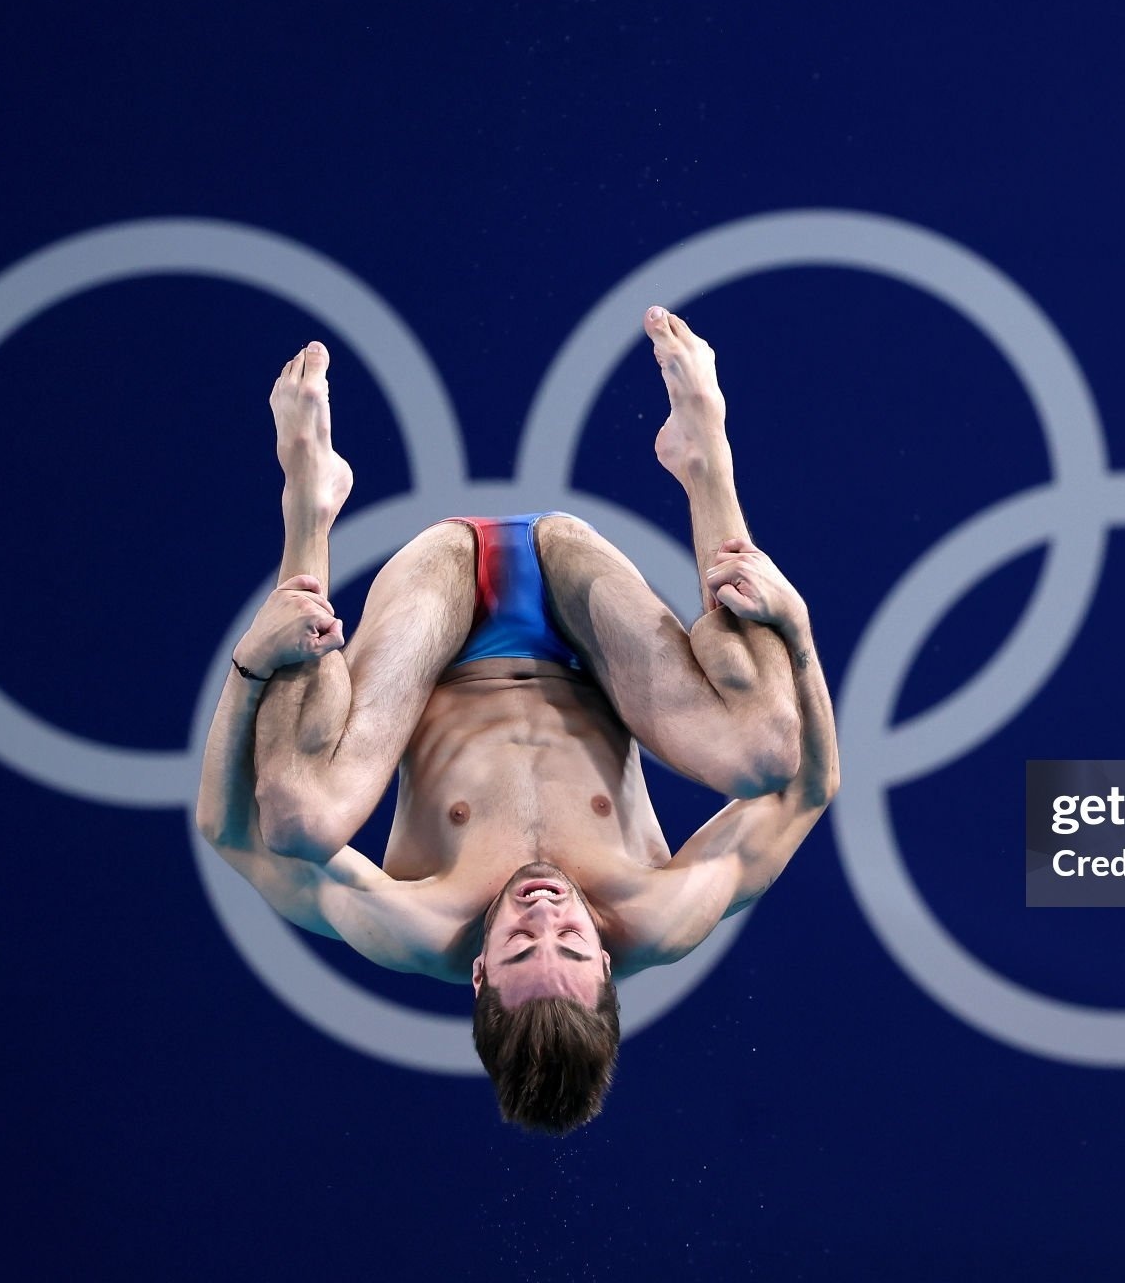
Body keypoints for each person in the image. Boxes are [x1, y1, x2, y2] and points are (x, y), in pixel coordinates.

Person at [195, 306, 838, 1134]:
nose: (544, 914)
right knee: (768, 751)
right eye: (569, 944)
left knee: (297, 818)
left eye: (520, 947)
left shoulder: (418, 926)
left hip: (441, 606)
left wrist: (251, 665)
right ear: (605, 963)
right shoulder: (662, 913)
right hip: (578, 609)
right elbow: (808, 789)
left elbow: (230, 832)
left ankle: (308, 506)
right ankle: (704, 455)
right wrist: (798, 631)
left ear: (478, 975)